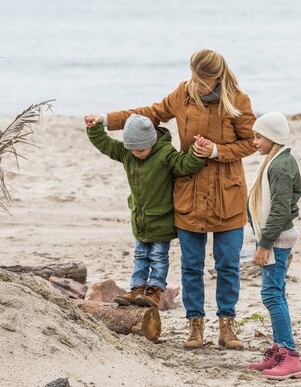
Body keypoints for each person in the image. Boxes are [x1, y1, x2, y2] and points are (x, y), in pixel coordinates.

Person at [85, 49, 256, 350]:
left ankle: (227, 326)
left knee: (228, 265)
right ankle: (195, 326)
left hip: (227, 194)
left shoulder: (238, 101)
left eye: (202, 82)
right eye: (193, 79)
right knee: (191, 267)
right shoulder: (182, 93)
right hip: (188, 194)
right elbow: (150, 114)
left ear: (217, 78)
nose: (197, 86)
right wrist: (106, 119)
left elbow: (250, 143)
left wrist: (217, 152)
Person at [84, 113, 206, 310]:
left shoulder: (165, 154)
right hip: (140, 219)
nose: (136, 153)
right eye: (132, 150)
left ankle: (155, 290)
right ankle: (137, 288)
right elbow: (106, 144)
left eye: (141, 149)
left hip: (161, 219)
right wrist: (94, 129)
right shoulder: (127, 153)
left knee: (158, 255)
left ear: (151, 142)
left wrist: (197, 151)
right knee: (140, 255)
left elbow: (185, 164)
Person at [247, 112, 301, 379]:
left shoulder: (280, 166)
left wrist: (264, 244)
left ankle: (289, 355)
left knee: (271, 294)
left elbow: (279, 210)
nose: (254, 141)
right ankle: (279, 348)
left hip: (276, 240)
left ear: (272, 138)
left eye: (259, 136)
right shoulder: (276, 161)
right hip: (274, 237)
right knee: (275, 292)